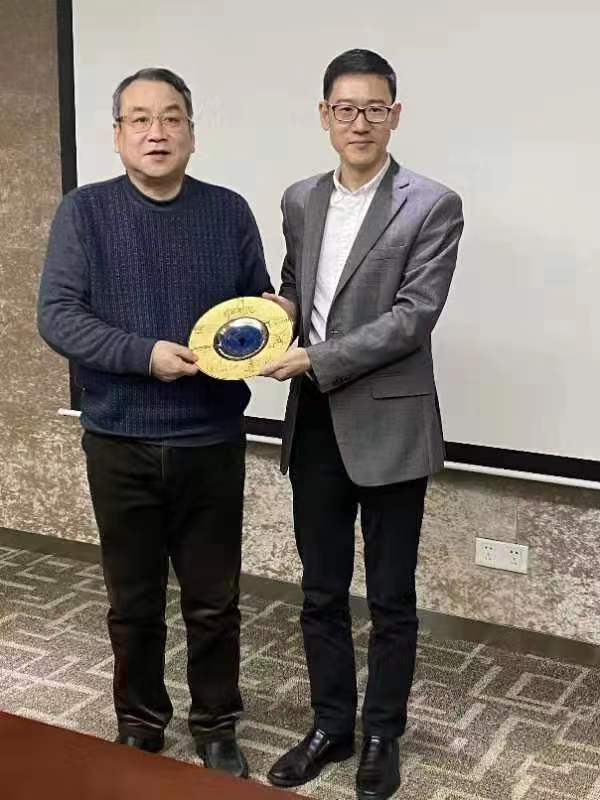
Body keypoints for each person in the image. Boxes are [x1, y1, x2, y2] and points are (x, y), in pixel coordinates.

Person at [37, 67, 273, 779]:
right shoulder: (84, 212)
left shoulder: (228, 211)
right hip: (120, 438)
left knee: (214, 601)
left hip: (210, 439)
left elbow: (252, 305)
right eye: (139, 119)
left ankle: (216, 725)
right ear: (117, 135)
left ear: (192, 133)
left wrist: (270, 318)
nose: (156, 132)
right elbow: (59, 317)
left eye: (171, 118)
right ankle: (139, 721)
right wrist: (144, 356)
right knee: (133, 600)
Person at [261, 49, 464, 800]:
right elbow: (298, 286)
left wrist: (315, 358)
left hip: (389, 424)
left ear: (395, 115)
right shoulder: (299, 199)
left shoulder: (432, 204)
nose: (360, 122)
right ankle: (331, 727)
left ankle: (382, 734)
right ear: (325, 115)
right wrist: (272, 314)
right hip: (314, 422)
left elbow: (413, 318)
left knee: (390, 599)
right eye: (345, 108)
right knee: (319, 590)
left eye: (375, 109)